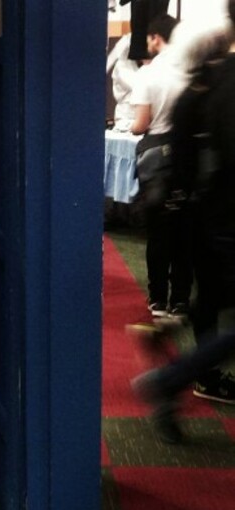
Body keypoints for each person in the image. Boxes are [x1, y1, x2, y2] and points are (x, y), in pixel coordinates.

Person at [133, 2, 235, 442]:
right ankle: (171, 378)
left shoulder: (206, 79)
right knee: (216, 302)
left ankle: (178, 361)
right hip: (226, 216)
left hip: (206, 214)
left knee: (212, 300)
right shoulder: (223, 79)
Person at [131, 14, 192, 320]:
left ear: (156, 37)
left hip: (156, 156)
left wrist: (132, 126)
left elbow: (141, 125)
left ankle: (158, 301)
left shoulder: (148, 74)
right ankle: (181, 301)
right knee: (184, 232)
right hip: (186, 155)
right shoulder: (189, 71)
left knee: (158, 234)